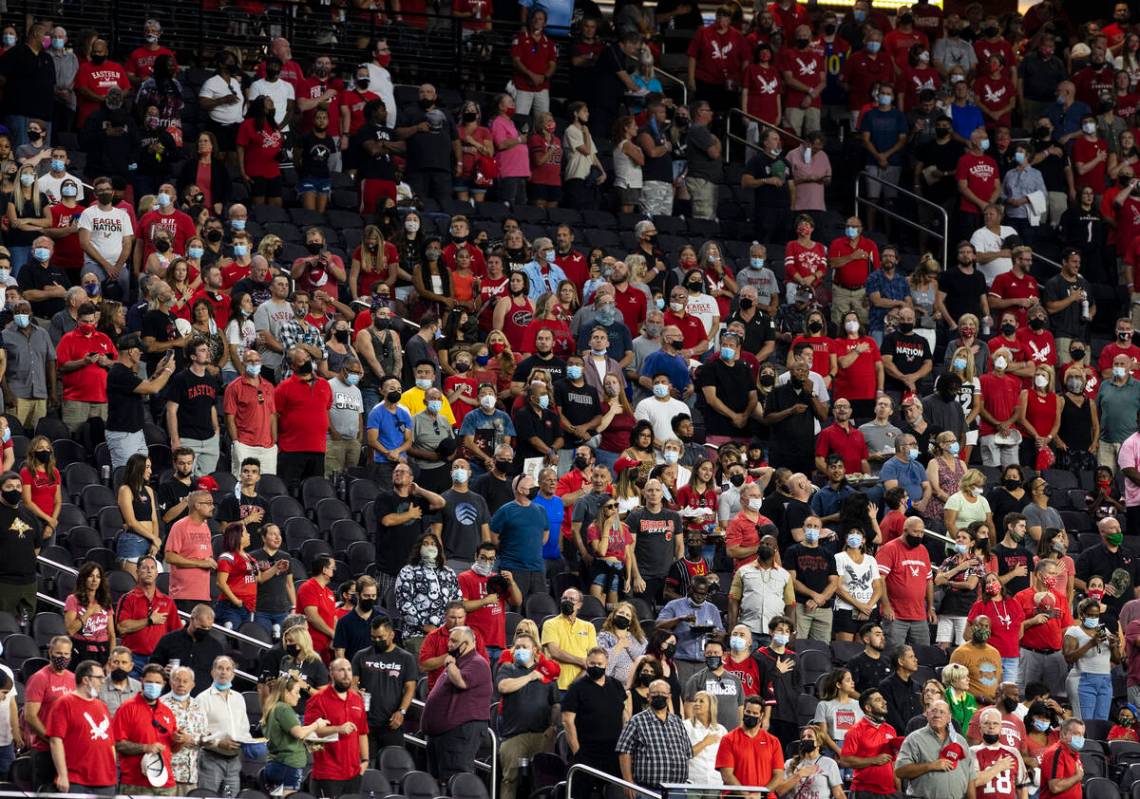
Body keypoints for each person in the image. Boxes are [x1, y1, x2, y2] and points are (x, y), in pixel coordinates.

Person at [421, 624, 492, 780]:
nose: (449, 644)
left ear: (466, 644)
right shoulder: (459, 662)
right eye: (449, 640)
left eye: (454, 641)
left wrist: (450, 664)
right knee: (440, 782)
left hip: (459, 734)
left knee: (455, 780)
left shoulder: (477, 662)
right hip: (443, 734)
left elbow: (461, 682)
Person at [497, 632, 557, 799]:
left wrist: (553, 726)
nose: (520, 650)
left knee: (541, 782)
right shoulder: (508, 668)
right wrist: (530, 676)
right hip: (513, 736)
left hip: (541, 736)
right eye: (517, 647)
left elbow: (556, 704)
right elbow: (503, 687)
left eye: (524, 647)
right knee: (510, 780)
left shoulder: (546, 672)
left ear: (535, 650)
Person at [47, 659, 117, 795]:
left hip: (106, 781)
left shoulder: (102, 706)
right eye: (99, 678)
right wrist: (62, 774)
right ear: (86, 680)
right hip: (77, 780)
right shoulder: (64, 703)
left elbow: (111, 743)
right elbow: (55, 741)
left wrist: (112, 772)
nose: (103, 682)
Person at [105, 332, 175, 469]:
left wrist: (157, 373)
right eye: (139, 350)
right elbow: (153, 388)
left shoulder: (125, 372)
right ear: (131, 351)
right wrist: (168, 370)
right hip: (123, 435)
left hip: (134, 432)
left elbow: (143, 387)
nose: (141, 353)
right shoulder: (119, 373)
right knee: (126, 476)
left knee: (140, 474)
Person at [111, 663, 182, 795]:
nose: (153, 685)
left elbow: (173, 749)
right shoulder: (127, 708)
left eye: (157, 682)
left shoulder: (167, 712)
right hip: (136, 783)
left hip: (166, 783)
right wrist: (145, 748)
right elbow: (117, 744)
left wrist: (180, 740)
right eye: (149, 681)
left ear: (164, 684)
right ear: (141, 681)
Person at [302, 658, 369, 796]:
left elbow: (362, 732)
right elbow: (309, 734)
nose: (346, 674)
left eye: (349, 670)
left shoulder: (357, 700)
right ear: (331, 674)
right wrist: (338, 729)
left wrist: (365, 761)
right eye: (341, 670)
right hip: (327, 774)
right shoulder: (318, 699)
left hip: (354, 774)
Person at [617, 677, 692, 792]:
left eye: (663, 693)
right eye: (655, 693)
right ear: (648, 697)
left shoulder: (677, 722)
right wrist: (628, 782)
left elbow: (687, 752)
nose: (659, 696)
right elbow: (624, 751)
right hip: (648, 790)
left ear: (669, 697)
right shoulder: (636, 721)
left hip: (678, 790)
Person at [895, 699, 978, 797]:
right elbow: (900, 771)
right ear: (927, 714)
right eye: (933, 711)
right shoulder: (914, 739)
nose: (937, 715)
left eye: (942, 712)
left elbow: (970, 777)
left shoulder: (960, 741)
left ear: (949, 718)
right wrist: (930, 766)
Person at [262, 676, 328, 796]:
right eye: (296, 692)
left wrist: (306, 745)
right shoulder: (284, 708)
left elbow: (286, 737)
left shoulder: (275, 707)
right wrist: (317, 724)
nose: (299, 696)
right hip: (288, 766)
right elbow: (299, 733)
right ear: (285, 692)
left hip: (277, 764)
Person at [490, 474, 550, 603]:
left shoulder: (541, 510)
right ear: (521, 490)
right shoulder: (505, 511)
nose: (536, 488)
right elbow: (493, 537)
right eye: (531, 486)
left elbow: (545, 534)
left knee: (538, 608)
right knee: (515, 608)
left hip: (537, 569)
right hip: (513, 569)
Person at [115, 556, 180, 674]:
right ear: (137, 572)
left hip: (159, 660)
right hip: (133, 659)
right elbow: (121, 627)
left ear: (156, 573)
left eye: (152, 568)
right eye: (145, 568)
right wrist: (149, 620)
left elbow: (177, 633)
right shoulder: (128, 598)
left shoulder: (168, 601)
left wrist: (173, 660)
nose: (149, 571)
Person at [25, 636, 75, 787]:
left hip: (68, 750)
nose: (63, 657)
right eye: (59, 653)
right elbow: (30, 716)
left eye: (66, 654)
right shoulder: (39, 678)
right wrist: (51, 739)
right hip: (44, 750)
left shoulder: (73, 678)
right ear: (50, 653)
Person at [878, 517, 936, 646]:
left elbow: (929, 580)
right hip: (895, 616)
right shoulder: (889, 548)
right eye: (915, 532)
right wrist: (886, 606)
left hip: (919, 615)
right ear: (905, 530)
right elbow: (879, 579)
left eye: (922, 532)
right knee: (893, 654)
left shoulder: (923, 550)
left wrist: (931, 607)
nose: (919, 535)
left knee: (923, 654)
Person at [1064, 597, 1122, 722]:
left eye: (1096, 615)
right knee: (1085, 722)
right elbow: (1068, 658)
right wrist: (1090, 643)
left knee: (1101, 722)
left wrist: (1114, 646)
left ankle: (1097, 742)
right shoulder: (1073, 631)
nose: (1093, 618)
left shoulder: (1104, 630)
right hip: (1083, 680)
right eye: (1090, 615)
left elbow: (1117, 660)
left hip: (1105, 681)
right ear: (1082, 614)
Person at [149, 604, 224, 699]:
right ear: (192, 619)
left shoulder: (216, 647)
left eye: (209, 628)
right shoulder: (169, 640)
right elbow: (153, 665)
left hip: (201, 701)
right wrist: (162, 671)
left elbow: (219, 675)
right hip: (170, 698)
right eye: (202, 626)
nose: (205, 630)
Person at [840, 688, 899, 799]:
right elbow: (844, 761)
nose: (884, 702)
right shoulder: (855, 731)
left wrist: (899, 790)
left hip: (890, 792)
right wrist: (874, 760)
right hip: (864, 792)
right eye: (878, 700)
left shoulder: (890, 730)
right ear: (868, 708)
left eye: (883, 699)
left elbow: (894, 763)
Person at [160, 666, 208, 793]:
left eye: (185, 681)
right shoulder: (161, 704)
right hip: (166, 774)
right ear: (171, 682)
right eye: (177, 680)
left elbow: (205, 737)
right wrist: (175, 739)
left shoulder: (199, 706)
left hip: (191, 775)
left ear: (192, 684)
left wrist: (190, 739)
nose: (181, 684)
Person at [541, 588, 597, 692]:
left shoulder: (589, 627)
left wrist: (576, 683)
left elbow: (592, 659)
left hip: (582, 686)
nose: (567, 601)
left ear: (579, 605)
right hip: (557, 685)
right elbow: (555, 652)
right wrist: (581, 661)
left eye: (572, 599)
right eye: (564, 598)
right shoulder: (550, 624)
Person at [1039, 718, 1085, 799]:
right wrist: (1077, 777)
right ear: (1063, 734)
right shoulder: (1056, 753)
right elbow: (1055, 787)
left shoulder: (1074, 752)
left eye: (1082, 734)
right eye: (1077, 734)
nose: (1081, 738)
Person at [99, 647, 140, 717]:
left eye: (124, 662)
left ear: (131, 666)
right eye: (116, 662)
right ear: (109, 664)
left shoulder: (139, 687)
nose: (120, 666)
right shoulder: (99, 687)